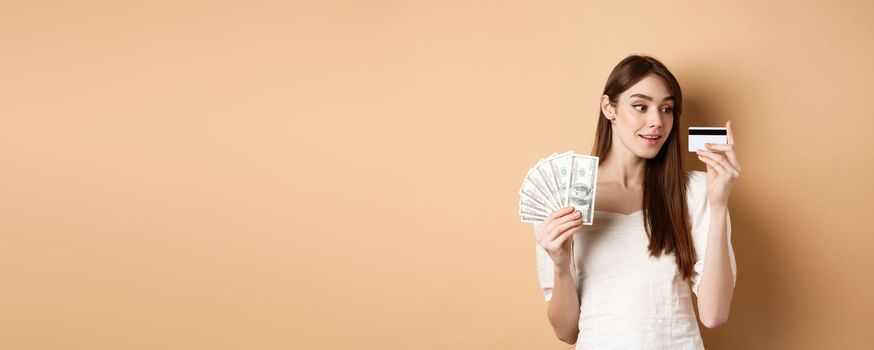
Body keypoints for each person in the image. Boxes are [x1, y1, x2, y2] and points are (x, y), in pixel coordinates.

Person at [532, 55, 739, 349]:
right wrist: (561, 264)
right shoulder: (563, 196)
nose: (657, 121)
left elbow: (714, 315)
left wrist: (718, 207)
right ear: (609, 108)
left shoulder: (696, 192)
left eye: (666, 109)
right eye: (640, 106)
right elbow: (567, 332)